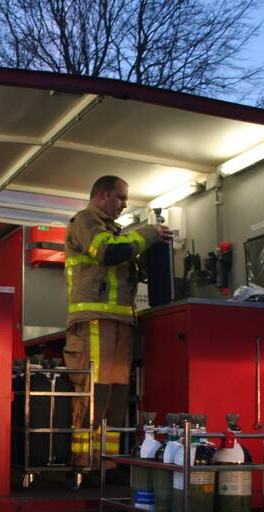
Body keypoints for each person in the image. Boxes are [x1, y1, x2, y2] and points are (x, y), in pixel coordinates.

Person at [63, 175, 173, 489]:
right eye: (121, 198)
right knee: (93, 393)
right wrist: (148, 234)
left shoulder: (117, 233)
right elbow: (106, 253)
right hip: (94, 323)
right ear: (102, 195)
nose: (125, 204)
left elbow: (125, 258)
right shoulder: (85, 222)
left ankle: (106, 463)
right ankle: (83, 464)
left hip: (120, 325)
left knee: (116, 396)